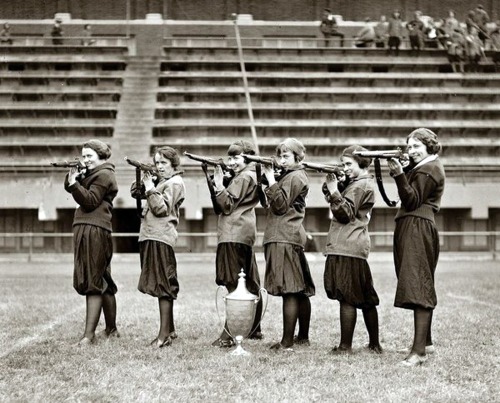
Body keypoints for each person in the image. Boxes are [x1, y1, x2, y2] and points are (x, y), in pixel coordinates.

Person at [387, 128, 445, 366]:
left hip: (417, 227)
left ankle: (418, 352)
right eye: (409, 147)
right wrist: (405, 169)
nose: (411, 151)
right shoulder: (425, 167)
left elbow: (411, 200)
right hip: (414, 226)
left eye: (416, 147)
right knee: (417, 280)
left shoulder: (429, 169)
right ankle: (426, 343)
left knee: (418, 284)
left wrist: (400, 175)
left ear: (430, 146)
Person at [322, 145, 382, 355]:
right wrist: (333, 187)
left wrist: (333, 190)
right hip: (354, 246)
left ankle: (345, 347)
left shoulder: (360, 185)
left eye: (349, 164)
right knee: (365, 296)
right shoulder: (359, 183)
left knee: (346, 297)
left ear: (363, 164)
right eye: (343, 164)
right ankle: (374, 345)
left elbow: (344, 213)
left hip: (347, 245)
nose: (344, 168)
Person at [261, 138, 315, 351]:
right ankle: (302, 337)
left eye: (286, 156)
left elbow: (281, 206)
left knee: (290, 291)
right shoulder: (289, 176)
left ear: (298, 158)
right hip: (288, 236)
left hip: (284, 236)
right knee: (298, 289)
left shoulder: (295, 176)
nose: (281, 160)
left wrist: (270, 179)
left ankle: (287, 342)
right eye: (279, 156)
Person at [64, 139, 119, 345]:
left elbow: (90, 201)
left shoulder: (104, 174)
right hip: (89, 227)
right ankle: (111, 329)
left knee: (93, 281)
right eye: (83, 155)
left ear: (101, 156)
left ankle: (89, 336)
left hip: (94, 228)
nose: (85, 159)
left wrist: (74, 183)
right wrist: (73, 178)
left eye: (89, 156)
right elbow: (70, 187)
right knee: (102, 278)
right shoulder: (93, 173)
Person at [210, 140, 264, 347]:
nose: (231, 162)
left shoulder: (243, 177)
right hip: (243, 232)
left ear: (248, 158)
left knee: (234, 283)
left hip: (233, 233)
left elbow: (226, 204)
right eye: (229, 158)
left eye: (236, 158)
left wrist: (218, 185)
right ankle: (253, 328)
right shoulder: (250, 175)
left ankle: (230, 333)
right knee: (249, 282)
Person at [130, 146, 185, 348]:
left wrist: (150, 187)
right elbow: (138, 195)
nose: (159, 166)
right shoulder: (162, 182)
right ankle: (169, 330)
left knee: (163, 286)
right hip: (151, 236)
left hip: (161, 237)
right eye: (157, 163)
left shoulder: (175, 182)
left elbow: (161, 209)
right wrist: (145, 184)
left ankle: (163, 335)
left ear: (173, 164)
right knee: (159, 283)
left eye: (163, 163)